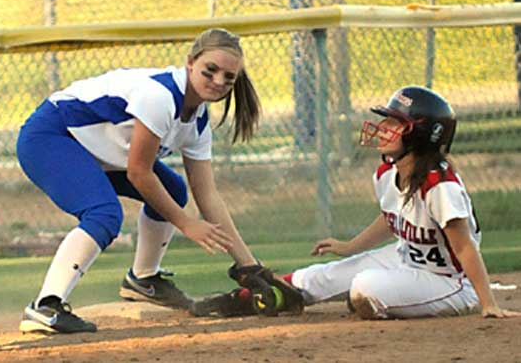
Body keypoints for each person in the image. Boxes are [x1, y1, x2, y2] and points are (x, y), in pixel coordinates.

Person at [16, 28, 269, 334]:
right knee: (104, 213)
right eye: (210, 70)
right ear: (190, 63)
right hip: (51, 136)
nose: (218, 82)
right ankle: (45, 305)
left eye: (228, 78)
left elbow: (208, 195)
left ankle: (143, 279)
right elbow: (138, 173)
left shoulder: (198, 120)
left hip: (96, 149)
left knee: (174, 191)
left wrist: (249, 267)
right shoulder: (160, 97)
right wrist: (187, 224)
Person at [192, 86, 521, 320]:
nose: (383, 129)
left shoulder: (440, 186)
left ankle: (378, 301)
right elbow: (389, 219)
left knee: (365, 287)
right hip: (404, 258)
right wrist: (351, 247)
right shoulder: (386, 173)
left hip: (448, 280)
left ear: (420, 136)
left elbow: (464, 248)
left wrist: (486, 302)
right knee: (320, 277)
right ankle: (252, 298)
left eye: (395, 124)